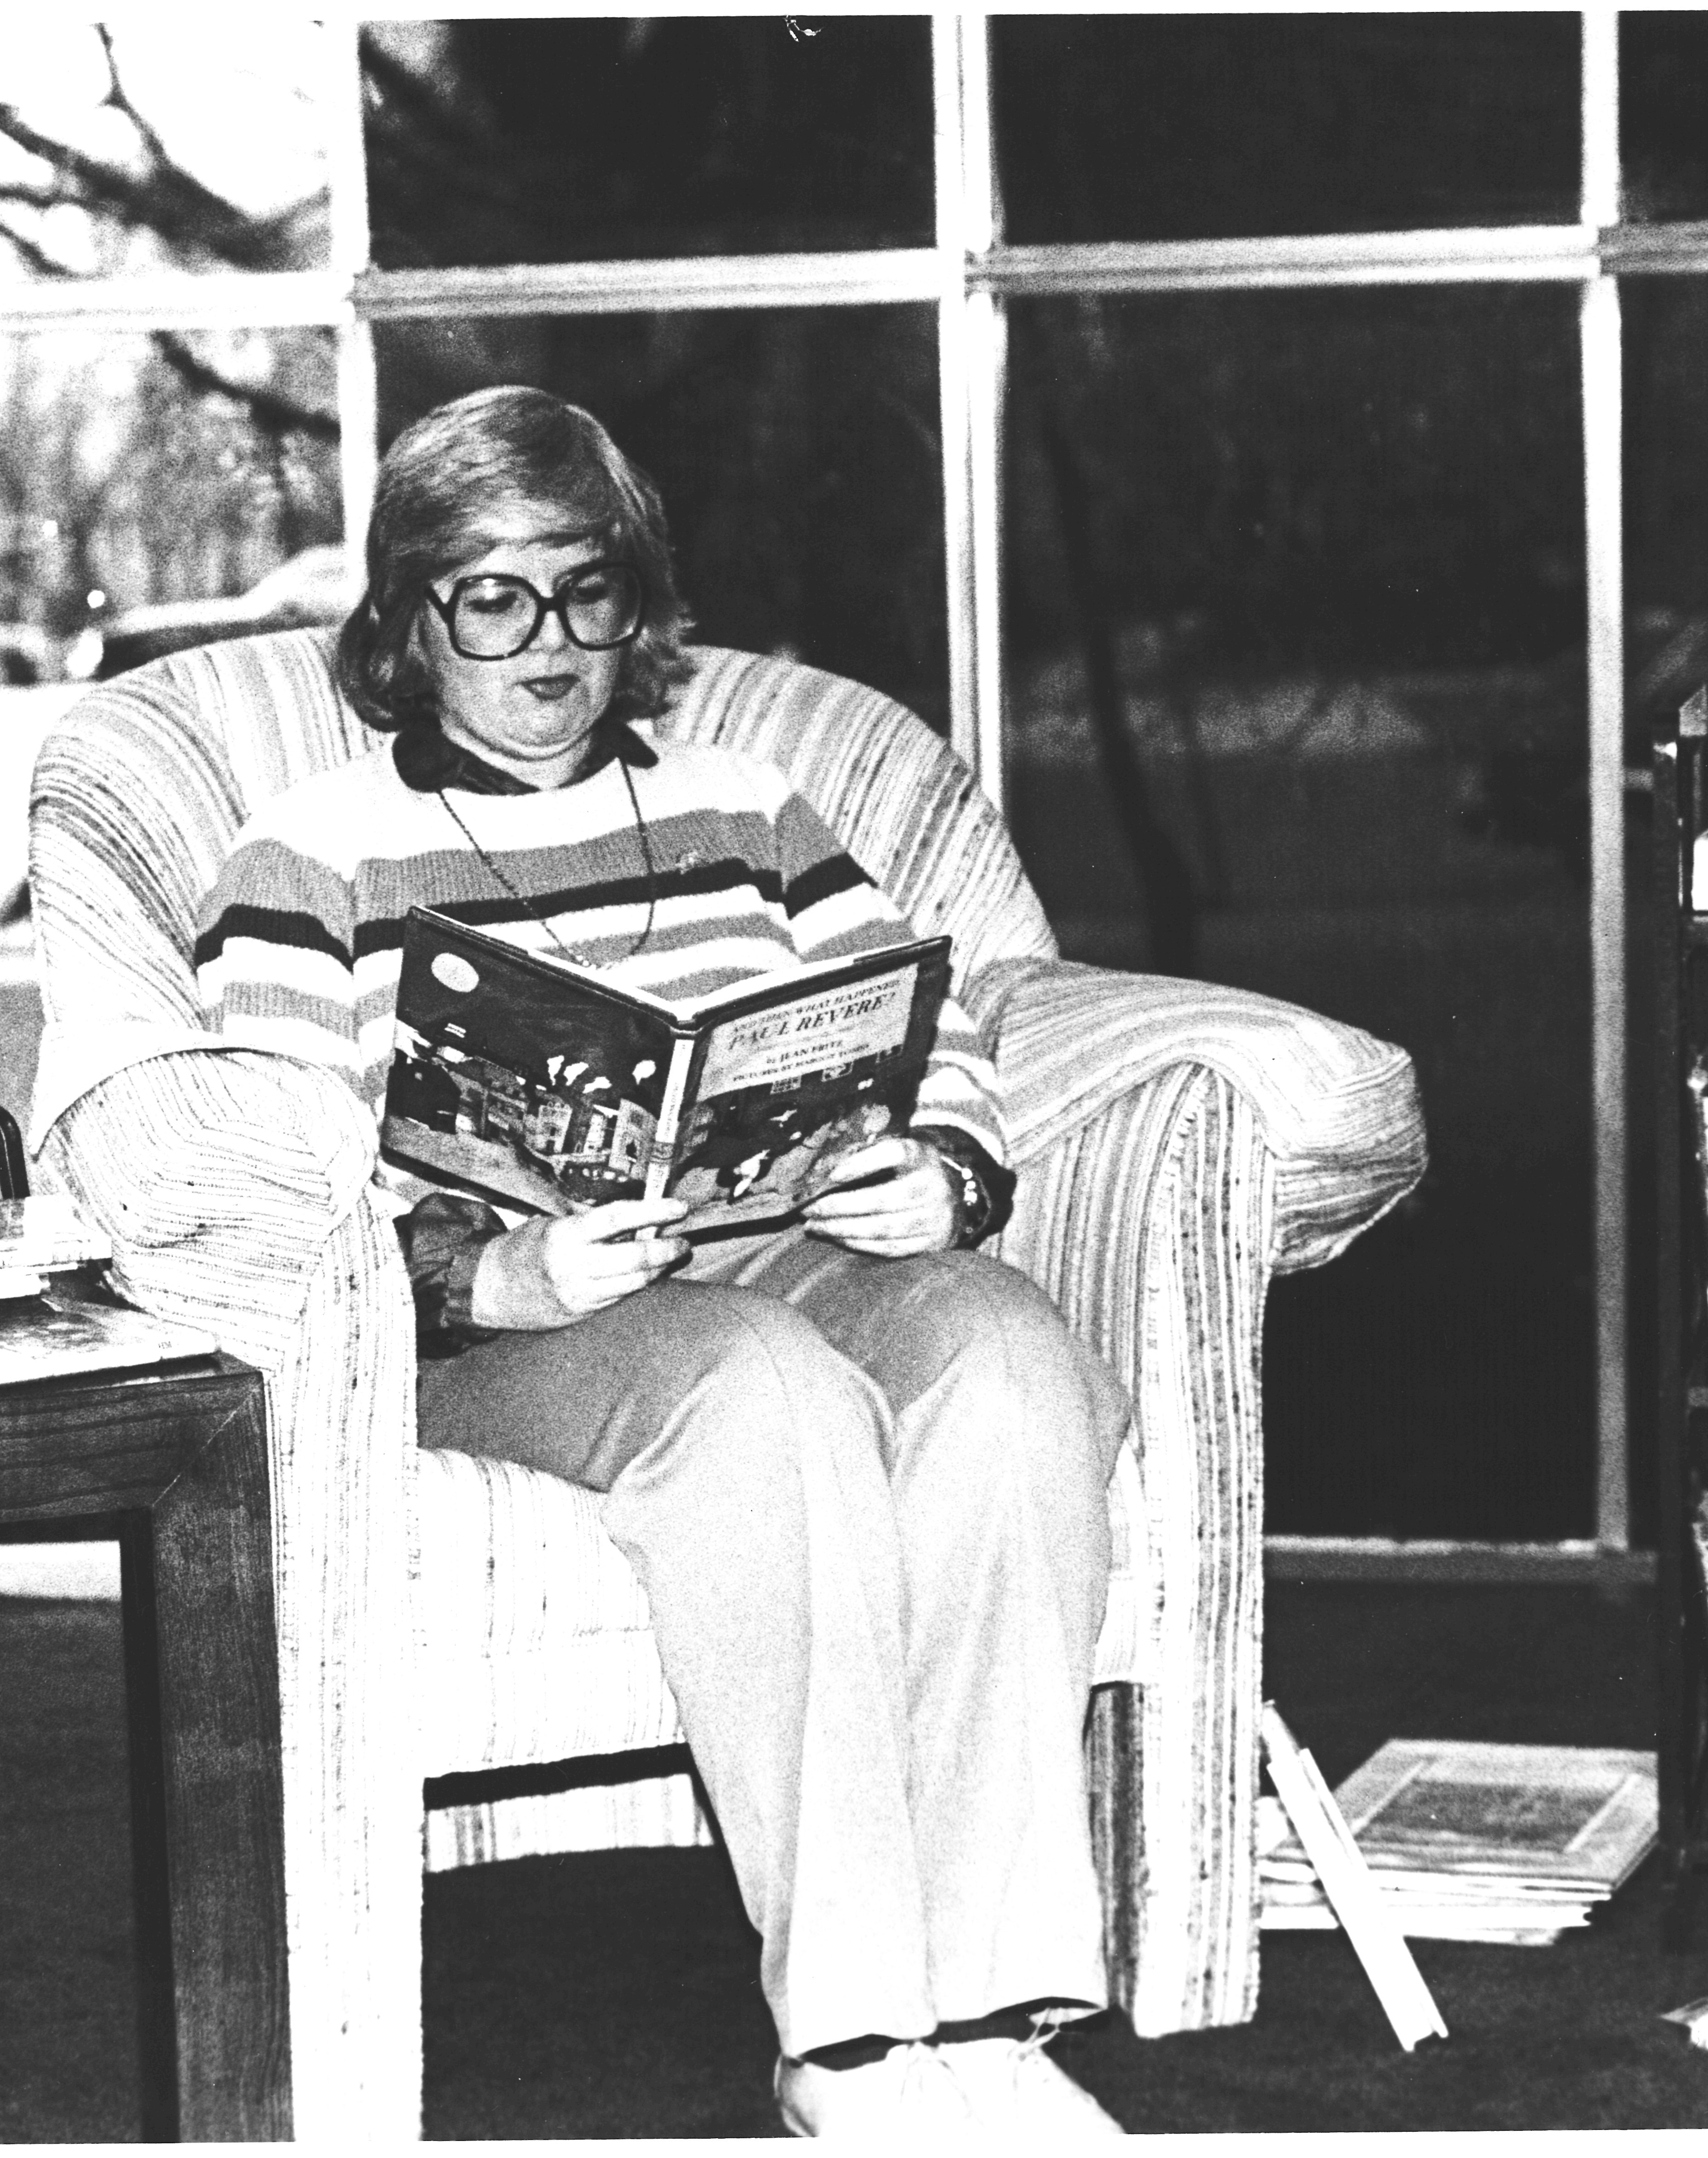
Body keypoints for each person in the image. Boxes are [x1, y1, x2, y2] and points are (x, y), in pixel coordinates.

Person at [193, 386, 1130, 2136]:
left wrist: (938, 1167)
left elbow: (927, 1024)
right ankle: (854, 2043)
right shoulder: (309, 857)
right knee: (755, 1387)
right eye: (492, 596)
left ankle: (991, 2017)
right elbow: (260, 1178)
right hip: (501, 1332)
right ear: (409, 619)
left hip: (780, 1251)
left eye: (586, 587)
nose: (549, 641)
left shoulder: (750, 807)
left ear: (636, 600)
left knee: (1008, 1353)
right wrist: (486, 1274)